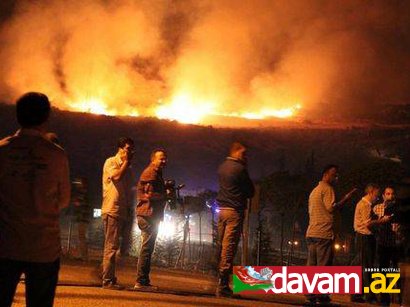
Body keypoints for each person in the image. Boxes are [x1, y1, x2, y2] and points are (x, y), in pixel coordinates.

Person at [0, 92, 71, 307]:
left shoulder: (2, 150)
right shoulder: (56, 155)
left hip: (5, 244)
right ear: (46, 117)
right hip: (43, 247)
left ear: (18, 114)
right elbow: (64, 200)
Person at [305, 165, 356, 306]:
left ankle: (310, 295)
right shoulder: (328, 189)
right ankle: (322, 297)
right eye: (334, 175)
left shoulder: (314, 191)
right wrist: (346, 198)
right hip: (324, 233)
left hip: (312, 232)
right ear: (326, 175)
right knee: (323, 266)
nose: (336, 178)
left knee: (312, 265)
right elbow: (331, 208)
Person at [215, 142, 255, 297]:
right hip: (234, 211)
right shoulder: (240, 169)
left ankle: (220, 279)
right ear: (237, 152)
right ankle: (223, 285)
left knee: (221, 245)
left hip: (221, 210)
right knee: (229, 247)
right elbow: (250, 191)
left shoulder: (222, 167)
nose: (245, 156)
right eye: (244, 153)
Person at [101, 137, 135, 290]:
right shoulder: (111, 162)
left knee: (117, 247)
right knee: (111, 246)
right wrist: (126, 163)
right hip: (112, 209)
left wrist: (128, 207)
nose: (130, 152)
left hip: (122, 211)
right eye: (128, 149)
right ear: (120, 148)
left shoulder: (128, 168)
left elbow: (127, 190)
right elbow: (116, 177)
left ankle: (110, 277)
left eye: (131, 149)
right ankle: (107, 280)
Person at [134, 149, 168, 290]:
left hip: (150, 215)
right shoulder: (151, 173)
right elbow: (149, 195)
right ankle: (141, 281)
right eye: (161, 158)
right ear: (153, 159)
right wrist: (165, 194)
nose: (164, 161)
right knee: (147, 249)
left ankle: (143, 281)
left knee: (147, 248)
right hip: (148, 215)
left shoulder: (155, 173)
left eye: (165, 158)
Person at [351, 183, 391, 303]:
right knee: (367, 267)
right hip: (364, 236)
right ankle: (369, 296)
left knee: (360, 265)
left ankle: (357, 294)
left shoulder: (366, 204)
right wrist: (381, 221)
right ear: (371, 192)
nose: (377, 197)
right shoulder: (364, 205)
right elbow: (368, 224)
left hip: (364, 237)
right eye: (376, 194)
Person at [373, 186, 403, 306]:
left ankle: (400, 299)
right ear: (383, 196)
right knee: (383, 271)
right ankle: (385, 300)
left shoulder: (398, 209)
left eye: (392, 193)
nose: (390, 196)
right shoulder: (376, 208)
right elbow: (372, 225)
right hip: (382, 243)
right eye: (388, 194)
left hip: (395, 243)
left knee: (396, 271)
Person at [72, 177, 91, 261]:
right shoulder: (86, 193)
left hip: (82, 219)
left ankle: (84, 257)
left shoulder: (82, 194)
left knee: (81, 237)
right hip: (83, 219)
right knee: (81, 237)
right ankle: (83, 256)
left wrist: (76, 202)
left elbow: (78, 203)